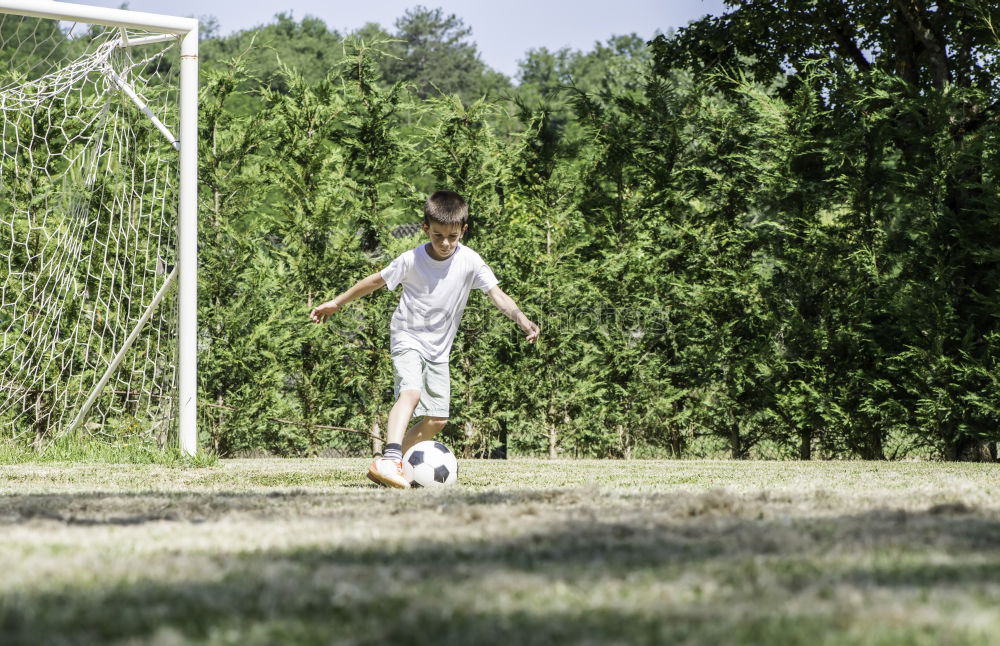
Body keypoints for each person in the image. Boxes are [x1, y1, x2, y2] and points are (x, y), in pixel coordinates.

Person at [309, 190, 540, 488]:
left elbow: (497, 295)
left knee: (437, 419)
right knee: (411, 393)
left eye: (452, 236)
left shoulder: (470, 261)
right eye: (437, 235)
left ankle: (390, 467)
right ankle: (391, 458)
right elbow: (375, 281)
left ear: (463, 231)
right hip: (407, 335)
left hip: (439, 349)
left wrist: (522, 320)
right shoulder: (412, 259)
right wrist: (337, 303)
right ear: (425, 229)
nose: (445, 243)